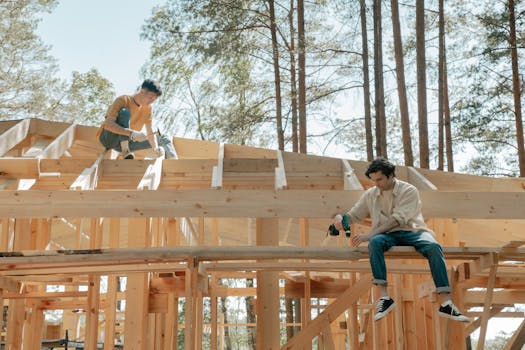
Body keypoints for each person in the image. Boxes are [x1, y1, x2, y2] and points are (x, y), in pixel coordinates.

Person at [332, 157, 469, 322]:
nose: (377, 184)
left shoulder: (409, 190)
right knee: (375, 243)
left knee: (433, 246)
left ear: (391, 175)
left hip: (413, 231)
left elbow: (397, 220)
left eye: (380, 179)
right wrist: (342, 222)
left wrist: (369, 234)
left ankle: (446, 302)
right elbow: (354, 214)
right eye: (374, 180)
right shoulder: (371, 194)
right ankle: (384, 298)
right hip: (387, 236)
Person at [96, 79, 177, 159]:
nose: (151, 101)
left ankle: (175, 166)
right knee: (125, 112)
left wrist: (155, 148)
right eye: (150, 97)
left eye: (154, 100)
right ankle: (125, 150)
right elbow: (108, 125)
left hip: (127, 143)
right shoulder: (123, 100)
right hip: (109, 139)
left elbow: (150, 132)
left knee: (162, 138)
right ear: (142, 91)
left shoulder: (148, 108)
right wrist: (132, 133)